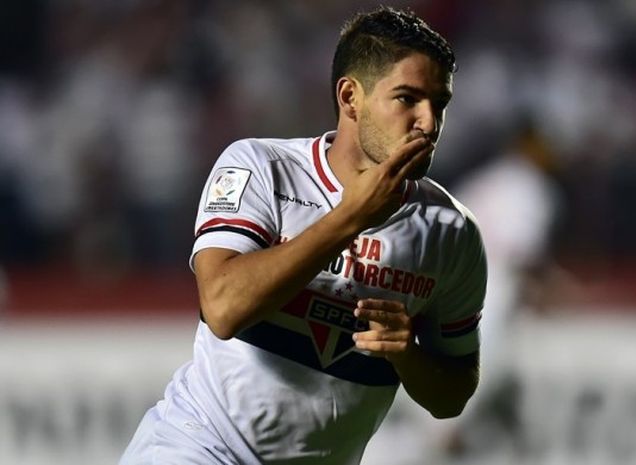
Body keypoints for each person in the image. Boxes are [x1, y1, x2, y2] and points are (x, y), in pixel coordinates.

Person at [120, 6, 487, 465]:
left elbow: (452, 396)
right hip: (199, 447)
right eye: (408, 99)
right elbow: (223, 307)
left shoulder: (451, 233)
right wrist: (351, 218)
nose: (429, 123)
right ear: (351, 96)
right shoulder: (260, 168)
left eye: (440, 104)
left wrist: (408, 355)